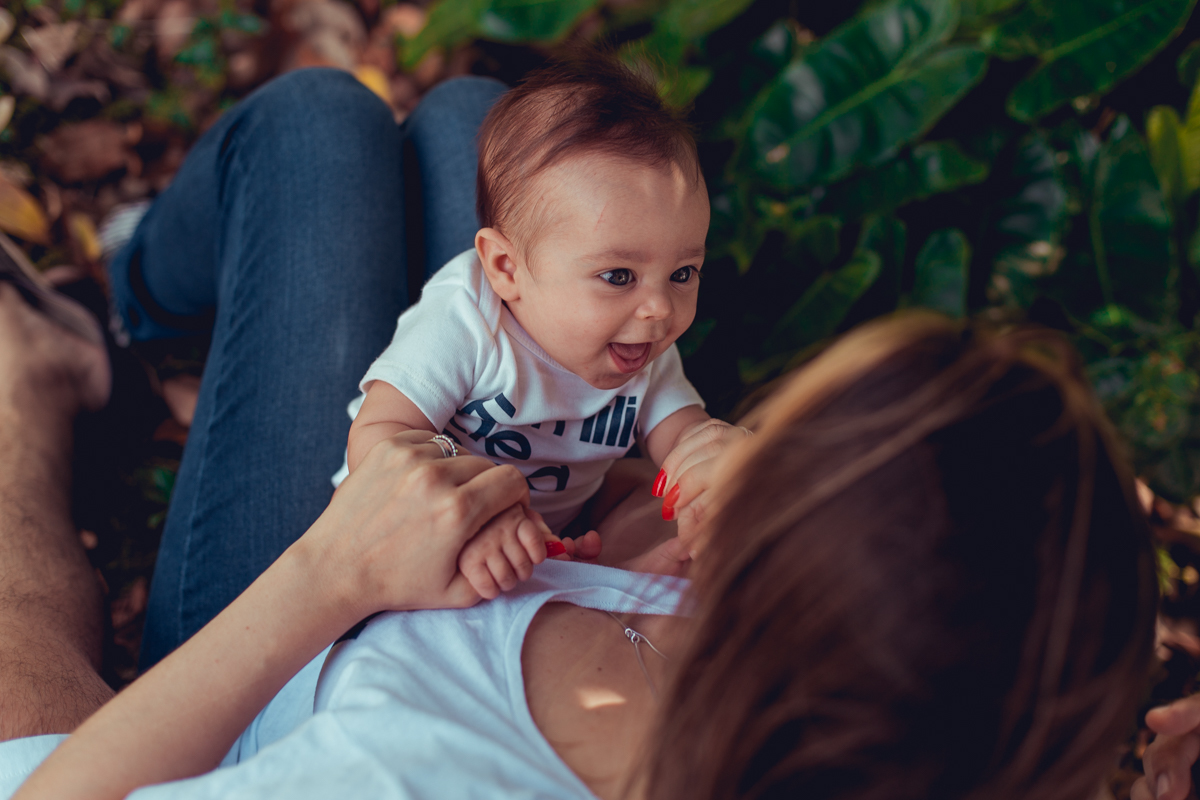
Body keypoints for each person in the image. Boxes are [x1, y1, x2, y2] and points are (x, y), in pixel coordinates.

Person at [0, 67, 1158, 800]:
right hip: (467, 534)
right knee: (468, 119)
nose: (660, 321)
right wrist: (634, 543)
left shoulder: (399, 774)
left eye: (795, 453)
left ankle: (89, 328)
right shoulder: (857, 691)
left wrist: (332, 567)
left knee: (318, 122)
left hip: (282, 643)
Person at [340, 54, 745, 600]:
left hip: (539, 543)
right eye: (618, 275)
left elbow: (683, 434)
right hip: (406, 534)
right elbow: (378, 436)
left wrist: (716, 462)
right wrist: (468, 523)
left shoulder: (640, 346)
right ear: (505, 269)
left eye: (682, 272)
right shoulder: (466, 321)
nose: (660, 309)